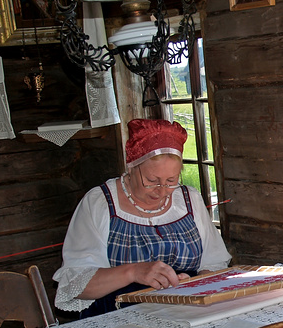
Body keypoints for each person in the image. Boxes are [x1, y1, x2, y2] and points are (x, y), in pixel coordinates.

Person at [53, 119, 232, 317]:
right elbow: (78, 286)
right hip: (120, 317)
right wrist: (134, 272)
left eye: (171, 181)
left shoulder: (189, 199)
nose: (162, 191)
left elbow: (214, 264)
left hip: (183, 312)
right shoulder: (100, 203)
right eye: (151, 181)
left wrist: (194, 283)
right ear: (131, 166)